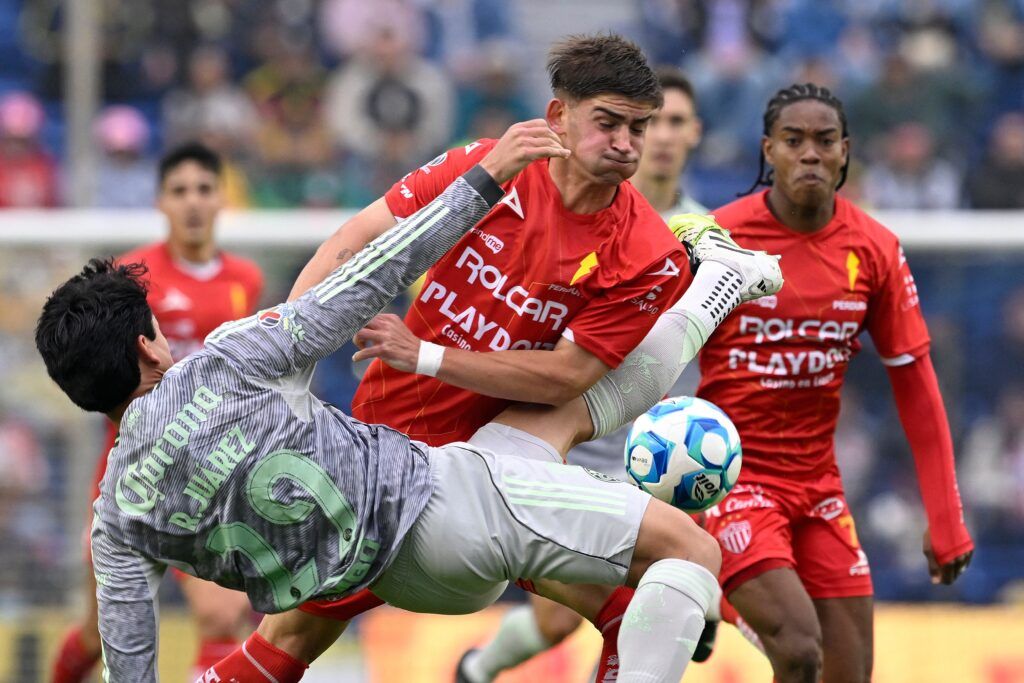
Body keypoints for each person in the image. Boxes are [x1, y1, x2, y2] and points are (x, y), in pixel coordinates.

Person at [35, 132, 758, 683]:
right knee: (689, 547)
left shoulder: (114, 519)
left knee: (550, 428)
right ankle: (711, 293)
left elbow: (128, 662)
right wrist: (482, 182)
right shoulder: (223, 362)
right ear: (150, 346)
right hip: (436, 508)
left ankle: (713, 287)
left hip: (371, 569)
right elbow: (371, 274)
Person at [697, 83, 973, 682]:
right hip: (734, 480)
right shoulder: (718, 239)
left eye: (824, 141)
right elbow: (646, 346)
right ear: (768, 150)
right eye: (793, 140)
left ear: (845, 151)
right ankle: (703, 572)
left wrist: (945, 514)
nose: (810, 154)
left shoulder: (874, 248)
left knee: (848, 674)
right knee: (800, 650)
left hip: (819, 485)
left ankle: (713, 588)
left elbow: (916, 385)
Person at [458, 64, 711, 683]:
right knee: (560, 618)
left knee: (647, 609)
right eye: (653, 123)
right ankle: (478, 668)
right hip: (570, 431)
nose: (661, 137)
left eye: (673, 123)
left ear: (693, 133)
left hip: (662, 446)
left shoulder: (709, 236)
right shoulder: (584, 209)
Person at [49, 142, 264, 683]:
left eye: (204, 189)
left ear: (221, 200)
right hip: (130, 469)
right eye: (179, 190)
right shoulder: (130, 279)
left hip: (205, 471)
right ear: (160, 202)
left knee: (222, 615)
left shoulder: (246, 280)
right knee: (100, 633)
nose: (192, 201)